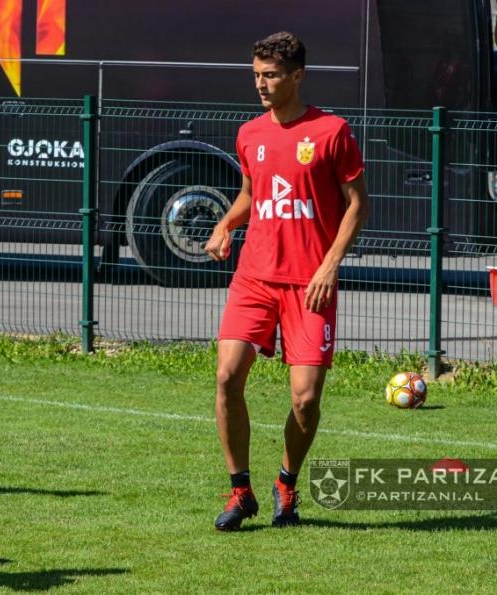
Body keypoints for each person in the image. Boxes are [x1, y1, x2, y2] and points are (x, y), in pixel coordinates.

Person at [204, 31, 369, 529]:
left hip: (310, 284)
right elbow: (252, 196)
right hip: (254, 277)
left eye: (271, 74)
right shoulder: (249, 133)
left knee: (305, 398)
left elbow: (357, 204)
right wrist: (224, 223)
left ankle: (286, 484)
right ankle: (239, 492)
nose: (261, 83)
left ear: (297, 76)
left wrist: (330, 263)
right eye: (256, 74)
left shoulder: (332, 131)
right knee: (227, 376)